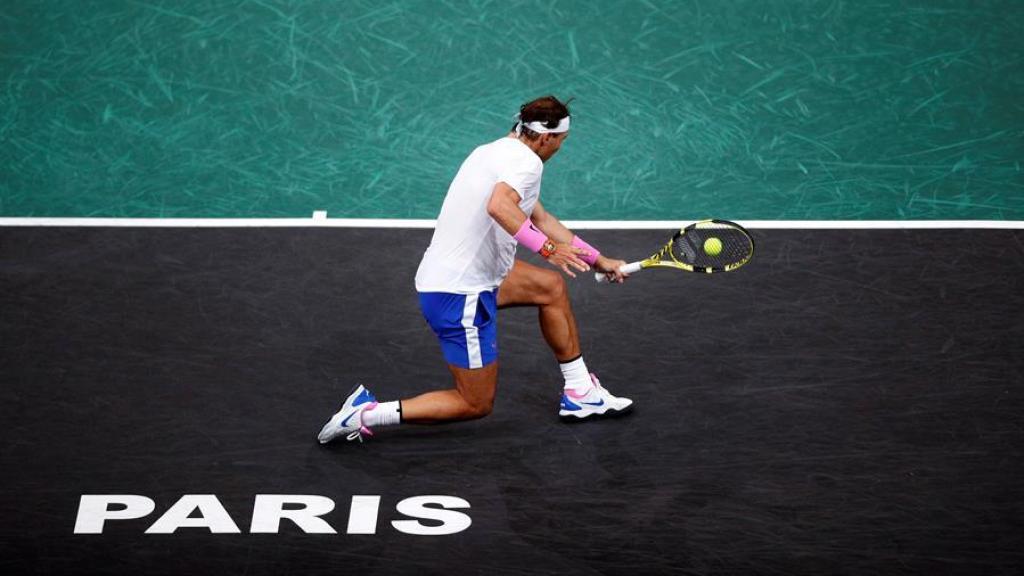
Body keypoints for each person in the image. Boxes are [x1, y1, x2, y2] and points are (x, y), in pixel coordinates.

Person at [318, 95, 632, 444]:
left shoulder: (493, 151)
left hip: (458, 277)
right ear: (546, 138)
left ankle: (580, 392)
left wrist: (597, 260)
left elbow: (540, 217)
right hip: (459, 293)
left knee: (550, 288)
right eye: (561, 141)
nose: (560, 148)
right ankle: (364, 414)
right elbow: (500, 206)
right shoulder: (527, 165)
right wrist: (546, 250)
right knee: (474, 402)